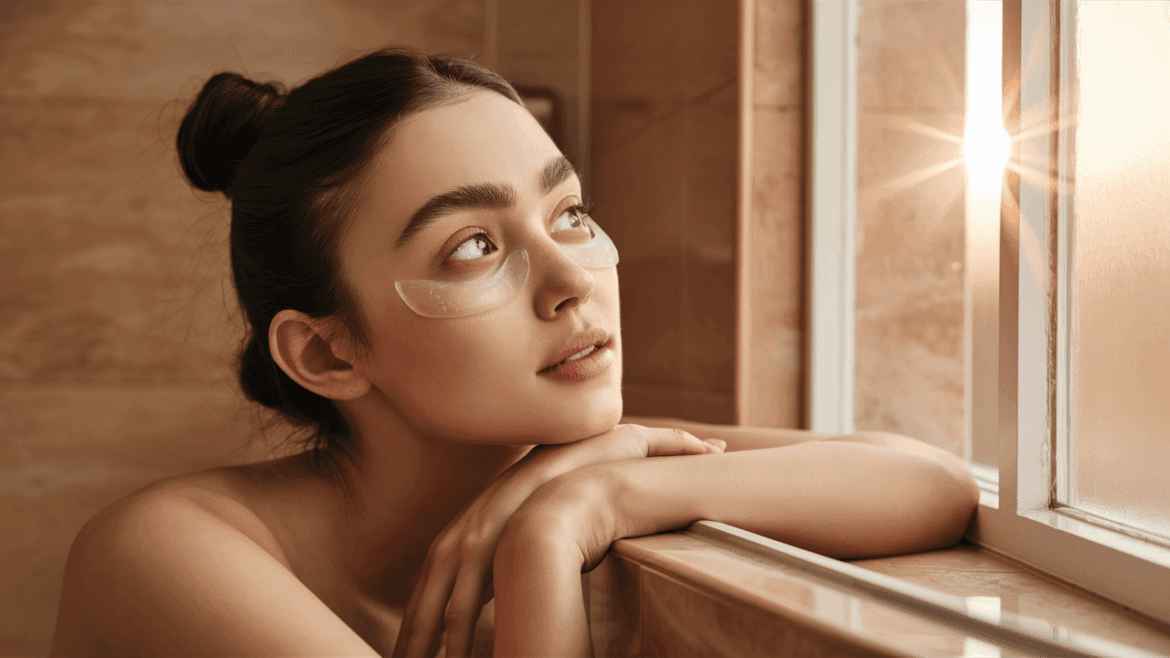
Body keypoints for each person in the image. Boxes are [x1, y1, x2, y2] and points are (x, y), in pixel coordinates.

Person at [49, 47, 979, 658]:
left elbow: (925, 480)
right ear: (328, 355)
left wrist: (602, 494)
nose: (572, 278)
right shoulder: (163, 553)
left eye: (568, 213)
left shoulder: (561, 468)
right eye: (473, 248)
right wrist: (542, 551)